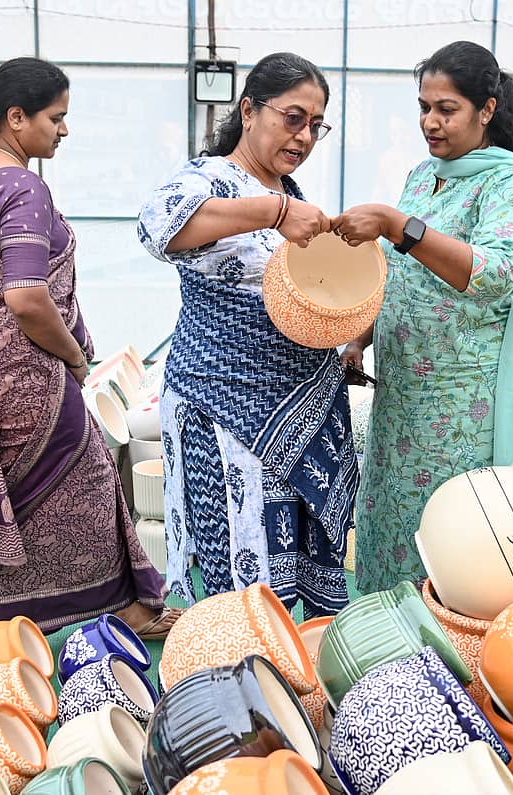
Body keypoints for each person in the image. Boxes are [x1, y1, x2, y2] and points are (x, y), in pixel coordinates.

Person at [0, 57, 179, 685]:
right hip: (22, 368)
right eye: (56, 118)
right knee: (88, 478)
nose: (64, 130)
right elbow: (25, 296)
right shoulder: (21, 188)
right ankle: (126, 603)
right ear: (18, 118)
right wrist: (72, 353)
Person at [332, 41, 513, 594]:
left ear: (486, 110)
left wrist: (395, 222)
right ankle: (388, 647)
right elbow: (393, 270)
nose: (430, 122)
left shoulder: (510, 185)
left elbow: (493, 274)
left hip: (459, 410)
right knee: (390, 521)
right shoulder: (422, 176)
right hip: (401, 399)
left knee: (446, 536)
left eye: (447, 109)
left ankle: (440, 660)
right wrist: (359, 338)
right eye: (424, 107)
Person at [138, 52, 357, 619]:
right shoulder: (210, 178)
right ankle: (230, 681)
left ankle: (289, 674)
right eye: (292, 117)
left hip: (298, 406)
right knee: (235, 561)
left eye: (316, 124)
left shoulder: (295, 194)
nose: (304, 135)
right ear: (249, 110)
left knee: (288, 563)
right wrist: (271, 210)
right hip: (225, 404)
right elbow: (158, 226)